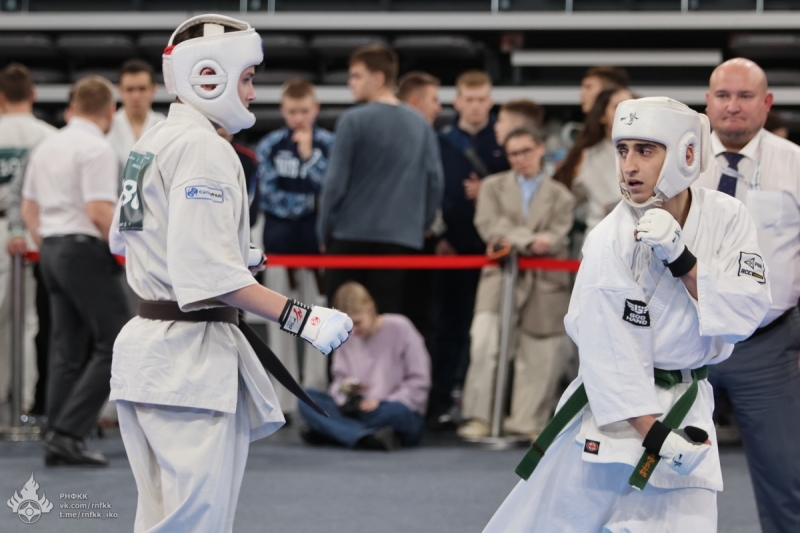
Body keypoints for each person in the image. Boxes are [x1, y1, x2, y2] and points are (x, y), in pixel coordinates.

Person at [107, 15, 352, 532]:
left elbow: (125, 238)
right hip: (186, 360)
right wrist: (304, 318)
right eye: (246, 78)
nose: (252, 93)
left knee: (162, 517)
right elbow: (209, 276)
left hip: (149, 353)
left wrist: (234, 252)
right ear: (208, 76)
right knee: (196, 521)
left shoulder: (151, 140)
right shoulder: (204, 149)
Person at [484, 97, 772, 532]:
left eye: (645, 150)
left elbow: (747, 312)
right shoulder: (609, 238)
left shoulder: (728, 217)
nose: (629, 166)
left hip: (688, 410)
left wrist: (683, 261)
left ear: (686, 154)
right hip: (616, 419)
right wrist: (654, 434)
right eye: (622, 150)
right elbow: (608, 352)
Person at [695, 57, 800, 533]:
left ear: (767, 102)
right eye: (723, 95)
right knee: (660, 473)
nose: (733, 106)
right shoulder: (680, 161)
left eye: (745, 96)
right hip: (688, 342)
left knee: (786, 480)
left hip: (769, 346)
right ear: (708, 102)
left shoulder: (794, 163)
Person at [20, 76, 132, 466]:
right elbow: (99, 211)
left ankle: (58, 433)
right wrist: (129, 251)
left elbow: (28, 208)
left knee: (66, 349)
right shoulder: (97, 147)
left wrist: (50, 243)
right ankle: (69, 432)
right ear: (110, 111)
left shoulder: (47, 144)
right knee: (117, 341)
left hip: (51, 248)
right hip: (81, 249)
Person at [457, 127, 574, 440]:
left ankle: (527, 420)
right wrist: (530, 240)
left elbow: (555, 237)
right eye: (513, 154)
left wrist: (519, 241)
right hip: (499, 278)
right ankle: (480, 417)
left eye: (525, 151)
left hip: (545, 281)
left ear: (540, 149)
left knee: (539, 353)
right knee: (485, 345)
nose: (520, 159)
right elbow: (490, 226)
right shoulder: (492, 187)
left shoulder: (561, 195)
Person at [317, 43, 443, 315]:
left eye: (356, 75)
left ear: (378, 78)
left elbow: (335, 183)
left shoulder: (352, 120)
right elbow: (435, 183)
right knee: (386, 321)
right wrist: (418, 226)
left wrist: (324, 231)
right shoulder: (421, 125)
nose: (350, 82)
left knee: (339, 323)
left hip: (349, 236)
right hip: (400, 240)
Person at [431, 70, 509, 428]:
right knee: (449, 325)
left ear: (490, 101)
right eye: (469, 99)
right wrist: (438, 237)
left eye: (482, 99)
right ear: (457, 101)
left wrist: (487, 189)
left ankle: (489, 404)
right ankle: (442, 398)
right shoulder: (441, 141)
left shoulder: (503, 140)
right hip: (451, 248)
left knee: (490, 329)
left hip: (495, 252)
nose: (476, 106)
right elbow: (432, 190)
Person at [255, 79, 333, 419]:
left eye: (304, 111)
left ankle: (316, 391)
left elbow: (331, 189)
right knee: (281, 321)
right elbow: (268, 194)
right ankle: (283, 397)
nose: (298, 118)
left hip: (318, 247)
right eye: (292, 111)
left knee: (319, 320)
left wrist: (308, 157)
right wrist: (307, 202)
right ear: (283, 111)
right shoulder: (271, 144)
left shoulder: (329, 143)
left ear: (316, 110)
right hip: (281, 245)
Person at [298, 282, 430, 451]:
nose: (354, 331)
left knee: (399, 414)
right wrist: (345, 389)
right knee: (306, 398)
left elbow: (419, 381)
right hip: (356, 409)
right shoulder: (344, 334)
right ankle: (366, 437)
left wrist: (381, 402)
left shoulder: (401, 327)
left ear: (370, 308)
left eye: (358, 322)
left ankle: (336, 431)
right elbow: (338, 382)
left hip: (390, 407)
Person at [0, 63, 56, 420]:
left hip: (5, 225)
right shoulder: (50, 136)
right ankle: (25, 400)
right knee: (31, 322)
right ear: (33, 94)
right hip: (37, 230)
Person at [554, 87, 634, 234]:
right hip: (600, 235)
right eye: (618, 106)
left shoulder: (652, 152)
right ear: (602, 116)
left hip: (640, 235)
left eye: (631, 105)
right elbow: (569, 199)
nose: (627, 112)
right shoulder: (585, 156)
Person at [106, 59, 165, 173]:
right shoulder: (108, 126)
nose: (136, 96)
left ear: (154, 89)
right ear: (120, 90)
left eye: (142, 89)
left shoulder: (163, 125)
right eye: (129, 89)